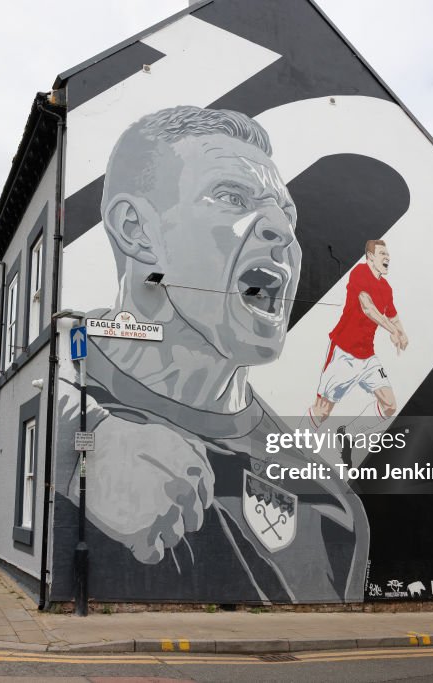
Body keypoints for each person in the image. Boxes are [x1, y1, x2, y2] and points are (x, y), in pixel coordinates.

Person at [55, 105, 369, 603]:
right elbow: (18, 399)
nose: (284, 232)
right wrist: (76, 444)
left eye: (288, 214)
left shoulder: (332, 508)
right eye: (231, 197)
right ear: (136, 230)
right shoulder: (64, 372)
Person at [308, 239, 408, 425]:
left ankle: (347, 435)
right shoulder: (360, 272)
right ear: (370, 257)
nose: (387, 257)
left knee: (389, 405)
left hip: (367, 356)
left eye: (388, 254)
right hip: (343, 352)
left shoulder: (386, 288)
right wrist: (392, 330)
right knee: (322, 411)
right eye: (382, 254)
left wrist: (402, 333)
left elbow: (393, 315)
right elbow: (368, 307)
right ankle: (296, 439)